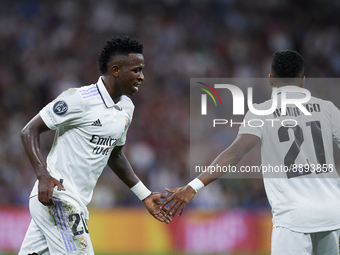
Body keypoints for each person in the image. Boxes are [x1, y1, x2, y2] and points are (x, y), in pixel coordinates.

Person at [162, 50, 340, 255]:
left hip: (293, 219)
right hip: (331, 215)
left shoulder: (261, 112)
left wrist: (193, 186)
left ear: (271, 80)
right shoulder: (327, 109)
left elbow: (234, 153)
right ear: (303, 80)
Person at [19, 35, 171, 255]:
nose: (142, 77)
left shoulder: (127, 108)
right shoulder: (79, 99)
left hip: (73, 202)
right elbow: (29, 130)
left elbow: (115, 155)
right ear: (116, 70)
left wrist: (145, 195)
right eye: (136, 70)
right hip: (59, 196)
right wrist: (43, 175)